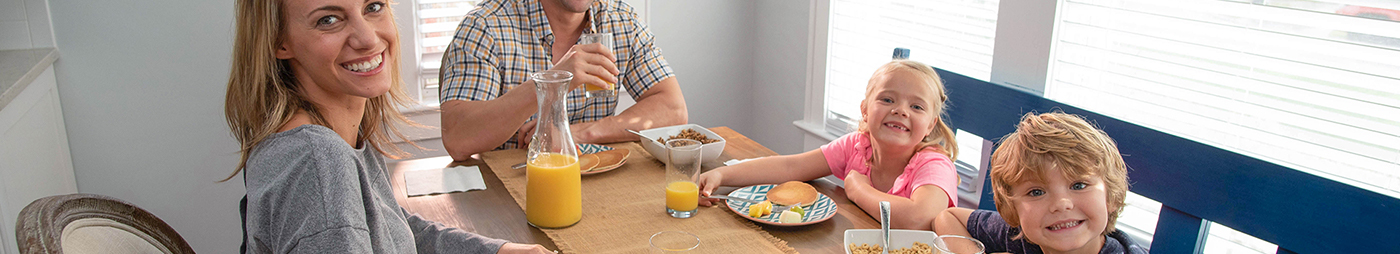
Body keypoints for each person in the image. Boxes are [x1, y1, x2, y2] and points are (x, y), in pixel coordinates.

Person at [222, 0, 551, 253]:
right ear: (280, 41)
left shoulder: (335, 137)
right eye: (328, 19)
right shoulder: (318, 161)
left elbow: (390, 226)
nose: (367, 38)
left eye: (373, 7)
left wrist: (495, 250)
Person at [695, 60, 959, 230]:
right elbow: (790, 167)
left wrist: (858, 190)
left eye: (916, 106)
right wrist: (721, 175)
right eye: (888, 100)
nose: (901, 111)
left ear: (930, 124)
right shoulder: (857, 146)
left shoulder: (934, 165)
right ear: (865, 110)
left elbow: (917, 219)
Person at [437, 0, 688, 161]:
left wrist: (580, 133)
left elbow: (672, 109)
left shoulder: (622, 20)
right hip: (509, 194)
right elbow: (458, 140)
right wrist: (551, 83)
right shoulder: (485, 25)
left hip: (600, 184)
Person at [932, 112, 1148, 254]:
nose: (1061, 204)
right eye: (1036, 192)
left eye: (1079, 186)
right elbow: (948, 217)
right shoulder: (1020, 236)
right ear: (1013, 210)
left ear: (1111, 196)